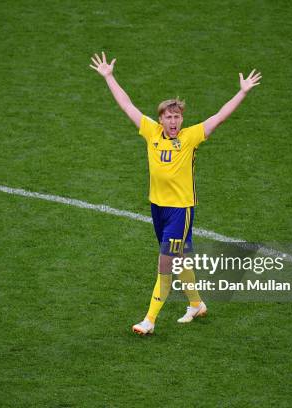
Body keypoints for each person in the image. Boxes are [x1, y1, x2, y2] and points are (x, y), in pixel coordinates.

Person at [90, 52, 261, 335]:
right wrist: (109, 77)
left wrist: (241, 93)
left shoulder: (190, 137)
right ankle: (196, 304)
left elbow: (219, 117)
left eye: (177, 117)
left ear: (182, 120)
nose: (173, 121)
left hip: (180, 211)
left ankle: (149, 320)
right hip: (157, 208)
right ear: (161, 118)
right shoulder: (151, 132)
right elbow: (126, 104)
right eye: (169, 117)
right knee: (180, 259)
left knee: (165, 260)